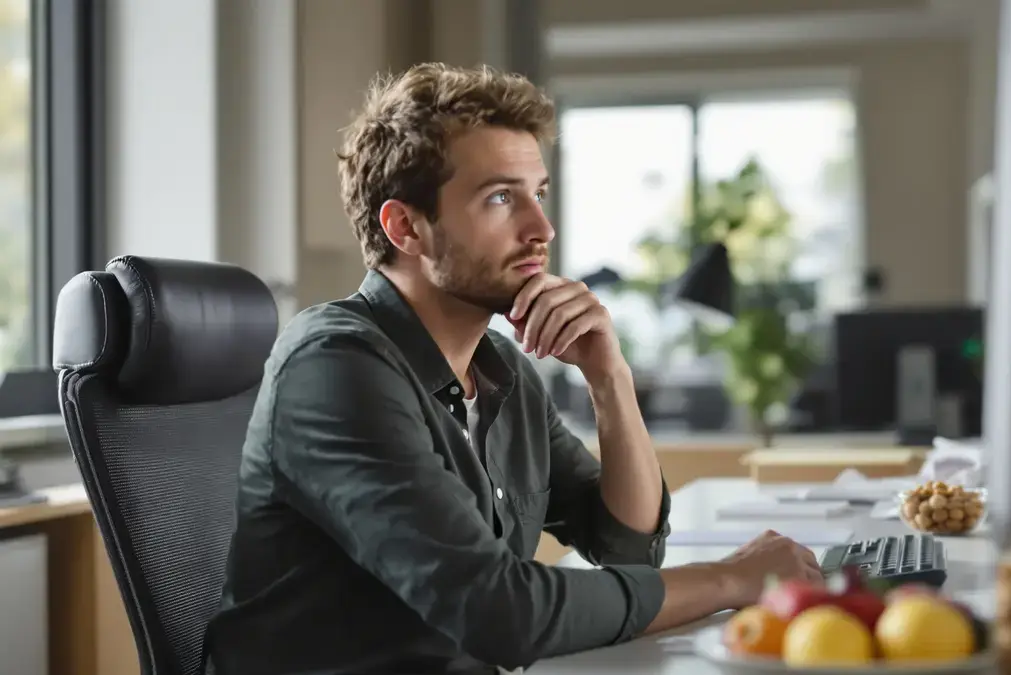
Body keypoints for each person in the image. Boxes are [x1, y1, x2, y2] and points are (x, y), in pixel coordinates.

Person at [203, 63, 824, 675]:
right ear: (406, 227)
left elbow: (629, 549)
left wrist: (609, 379)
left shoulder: (501, 372)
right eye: (501, 198)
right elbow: (500, 612)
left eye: (539, 195)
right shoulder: (335, 366)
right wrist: (730, 578)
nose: (542, 228)